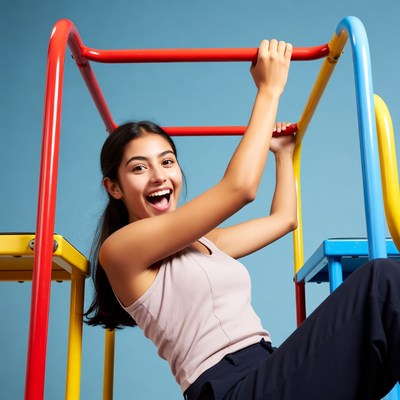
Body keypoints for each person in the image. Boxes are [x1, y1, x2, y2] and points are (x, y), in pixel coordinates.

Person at [85, 40, 400, 400]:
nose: (159, 176)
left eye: (167, 161)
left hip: (269, 368)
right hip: (230, 390)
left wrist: (282, 155)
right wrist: (269, 91)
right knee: (382, 283)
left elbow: (284, 219)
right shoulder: (120, 251)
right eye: (139, 168)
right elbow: (240, 189)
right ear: (114, 188)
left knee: (386, 334)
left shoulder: (207, 243)